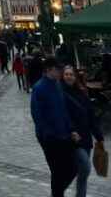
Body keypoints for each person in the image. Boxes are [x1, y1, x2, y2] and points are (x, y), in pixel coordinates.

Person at [31, 56, 78, 197]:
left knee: (72, 168)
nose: (60, 71)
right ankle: (57, 194)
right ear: (48, 69)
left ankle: (57, 193)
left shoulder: (57, 85)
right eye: (57, 68)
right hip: (49, 137)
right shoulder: (39, 87)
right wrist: (46, 134)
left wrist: (71, 128)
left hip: (64, 133)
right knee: (57, 171)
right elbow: (36, 113)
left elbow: (62, 109)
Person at [61, 65, 104, 197]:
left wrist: (99, 136)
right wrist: (72, 130)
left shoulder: (82, 94)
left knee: (82, 172)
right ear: (62, 77)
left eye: (71, 74)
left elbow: (90, 116)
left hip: (85, 137)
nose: (69, 76)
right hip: (73, 138)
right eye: (66, 74)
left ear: (75, 77)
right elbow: (62, 117)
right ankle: (58, 192)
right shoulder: (59, 94)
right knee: (85, 167)